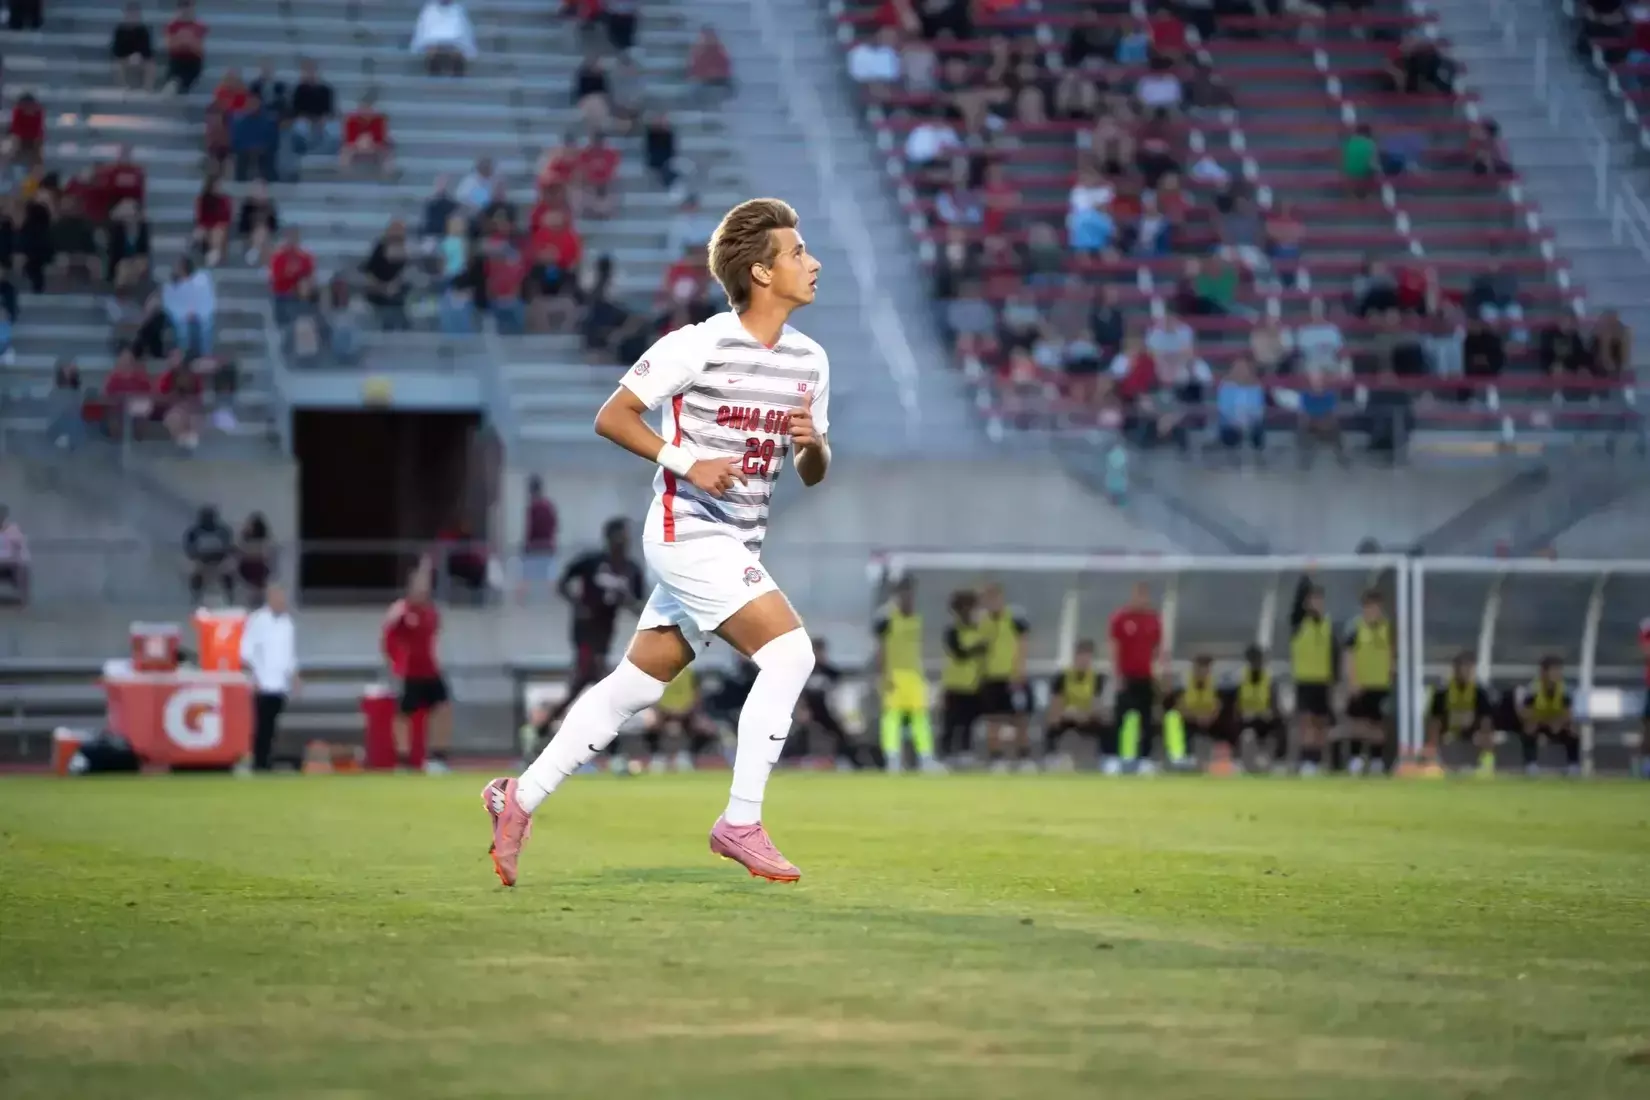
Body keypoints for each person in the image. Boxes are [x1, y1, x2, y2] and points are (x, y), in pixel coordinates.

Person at [482, 197, 829, 887]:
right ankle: (739, 822)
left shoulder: (810, 362)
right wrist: (688, 462)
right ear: (761, 273)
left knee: (631, 690)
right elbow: (613, 417)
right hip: (687, 532)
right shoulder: (698, 342)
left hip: (738, 544)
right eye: (796, 253)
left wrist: (814, 445)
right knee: (791, 654)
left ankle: (517, 798)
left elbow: (814, 472)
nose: (812, 263)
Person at [555, 518, 646, 715]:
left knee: (584, 680)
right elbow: (562, 583)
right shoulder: (592, 562)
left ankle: (544, 725)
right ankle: (612, 735)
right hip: (585, 629)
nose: (624, 542)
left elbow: (640, 607)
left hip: (605, 632)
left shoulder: (631, 570)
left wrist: (627, 601)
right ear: (610, 538)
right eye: (620, 536)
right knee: (598, 675)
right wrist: (577, 603)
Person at [383, 562, 455, 774]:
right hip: (410, 672)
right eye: (418, 583)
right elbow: (388, 638)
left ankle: (437, 756)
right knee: (404, 714)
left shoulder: (431, 612)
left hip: (430, 670)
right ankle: (403, 759)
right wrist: (395, 662)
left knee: (443, 708)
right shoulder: (401, 610)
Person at [873, 577, 939, 774]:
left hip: (915, 675)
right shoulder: (886, 618)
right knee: (892, 718)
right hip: (894, 675)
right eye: (903, 592)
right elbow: (880, 649)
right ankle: (892, 759)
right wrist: (883, 675)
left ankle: (926, 758)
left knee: (920, 718)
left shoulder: (916, 616)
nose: (907, 597)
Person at [1111, 581, 1179, 773]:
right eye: (1138, 594)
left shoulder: (1153, 620)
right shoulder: (1121, 618)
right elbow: (1114, 647)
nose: (1141, 599)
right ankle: (1120, 758)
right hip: (1126, 676)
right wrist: (1116, 675)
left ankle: (1145, 759)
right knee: (1122, 719)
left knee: (1147, 719)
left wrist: (1161, 673)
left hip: (1147, 677)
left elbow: (1158, 649)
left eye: (1144, 595)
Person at [239, 583, 298, 772]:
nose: (281, 601)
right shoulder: (257, 620)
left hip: (280, 684)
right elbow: (246, 651)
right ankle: (258, 762)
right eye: (278, 597)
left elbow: (289, 653)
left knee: (273, 724)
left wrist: (294, 676)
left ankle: (267, 759)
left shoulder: (287, 622)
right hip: (262, 682)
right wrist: (254, 677)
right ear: (270, 598)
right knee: (261, 724)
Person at [977, 582, 1031, 772]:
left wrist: (1020, 671)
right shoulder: (981, 622)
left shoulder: (1014, 618)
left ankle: (1024, 758)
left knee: (1020, 719)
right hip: (991, 677)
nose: (991, 602)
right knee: (993, 721)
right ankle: (996, 759)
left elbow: (1022, 645)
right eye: (987, 599)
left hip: (1013, 677)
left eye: (994, 597)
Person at [1342, 589, 1395, 776]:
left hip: (1380, 684)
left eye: (1376, 606)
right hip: (1361, 684)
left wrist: (1391, 673)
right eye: (1369, 606)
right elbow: (1348, 656)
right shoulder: (1355, 628)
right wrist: (1352, 681)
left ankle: (1376, 760)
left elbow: (1392, 654)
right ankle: (1356, 759)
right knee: (1358, 724)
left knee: (1377, 725)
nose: (1373, 610)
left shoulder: (1387, 628)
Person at [1287, 576, 1335, 775]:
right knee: (1307, 722)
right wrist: (1304, 579)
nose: (1317, 603)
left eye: (1320, 600)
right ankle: (1306, 761)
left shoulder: (1326, 624)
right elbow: (1295, 607)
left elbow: (1334, 653)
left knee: (1320, 724)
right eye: (1313, 599)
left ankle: (1318, 760)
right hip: (1304, 679)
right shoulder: (1299, 622)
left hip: (1323, 680)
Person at [1426, 651, 1495, 776]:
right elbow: (1434, 717)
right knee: (1434, 725)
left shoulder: (1480, 692)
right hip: (1449, 728)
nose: (1466, 671)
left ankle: (1486, 765)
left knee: (1487, 729)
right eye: (1462, 667)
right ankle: (1434, 762)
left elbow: (1486, 718)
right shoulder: (1443, 692)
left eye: (1469, 667)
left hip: (1472, 729)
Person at [938, 588, 985, 764]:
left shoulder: (979, 629)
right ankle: (946, 754)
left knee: (968, 722)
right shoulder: (952, 630)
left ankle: (966, 753)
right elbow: (958, 652)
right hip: (954, 684)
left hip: (973, 685)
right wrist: (977, 649)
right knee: (951, 722)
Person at [1043, 639, 1104, 771]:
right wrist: (1068, 713)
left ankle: (1107, 760)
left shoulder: (1096, 678)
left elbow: (1097, 705)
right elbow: (1056, 706)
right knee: (1052, 726)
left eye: (1088, 657)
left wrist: (1085, 715)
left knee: (1106, 727)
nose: (1084, 660)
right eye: (1081, 656)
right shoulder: (1062, 677)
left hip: (1086, 716)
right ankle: (1051, 758)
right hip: (1067, 715)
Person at [1516, 656, 1579, 776]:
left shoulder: (1565, 689)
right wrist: (1544, 720)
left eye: (1559, 671)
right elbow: (1525, 712)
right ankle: (1531, 765)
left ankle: (1573, 765)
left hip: (1557, 724)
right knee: (1529, 728)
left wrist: (1558, 722)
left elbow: (1569, 713)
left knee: (1573, 730)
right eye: (1554, 671)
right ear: (1543, 673)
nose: (1557, 674)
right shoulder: (1533, 688)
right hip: (1539, 723)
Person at [1163, 654, 1221, 770]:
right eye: (1201, 667)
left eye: (1207, 667)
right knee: (1172, 718)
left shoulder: (1213, 684)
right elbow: (1179, 708)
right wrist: (1196, 717)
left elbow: (1217, 706)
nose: (1204, 671)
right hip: (1188, 722)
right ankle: (1177, 757)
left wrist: (1209, 717)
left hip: (1208, 724)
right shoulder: (1185, 684)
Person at [1231, 645, 1281, 770]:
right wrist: (1244, 713)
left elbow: (1274, 704)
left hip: (1265, 721)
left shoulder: (1269, 678)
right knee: (1248, 735)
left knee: (1274, 733)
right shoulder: (1241, 677)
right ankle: (1248, 765)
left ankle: (1269, 764)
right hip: (1247, 720)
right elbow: (1236, 704)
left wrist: (1269, 713)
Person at [410, 0, 478, 77]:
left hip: (454, 44)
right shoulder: (429, 10)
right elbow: (422, 31)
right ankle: (434, 79)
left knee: (457, 54)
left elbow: (465, 33)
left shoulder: (458, 10)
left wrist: (462, 47)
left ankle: (457, 81)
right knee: (433, 53)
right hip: (433, 44)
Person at [184, 506, 236, 603]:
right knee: (195, 571)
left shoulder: (222, 531)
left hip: (220, 561)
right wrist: (197, 558)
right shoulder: (195, 532)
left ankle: (230, 597)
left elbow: (229, 547)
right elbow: (189, 549)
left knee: (229, 570)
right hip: (201, 561)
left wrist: (223, 558)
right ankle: (196, 596)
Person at [111, 3, 157, 90]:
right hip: (124, 59)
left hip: (141, 59)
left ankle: (147, 88)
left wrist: (139, 56)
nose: (133, 16)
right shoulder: (120, 30)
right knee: (117, 64)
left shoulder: (144, 30)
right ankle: (122, 87)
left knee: (151, 65)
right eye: (131, 14)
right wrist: (128, 57)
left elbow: (148, 50)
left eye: (135, 14)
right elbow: (116, 51)